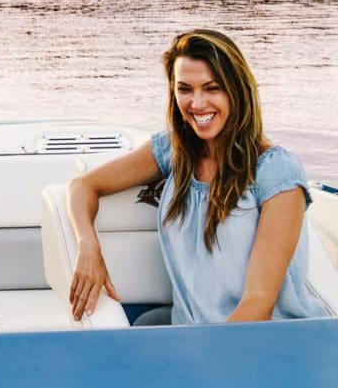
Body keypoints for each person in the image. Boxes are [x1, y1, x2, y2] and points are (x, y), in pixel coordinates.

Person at [67, 29, 329, 325]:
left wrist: (205, 364)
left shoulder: (275, 170)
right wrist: (88, 246)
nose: (197, 103)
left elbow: (259, 304)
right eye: (185, 89)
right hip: (192, 337)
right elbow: (83, 186)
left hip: (263, 342)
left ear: (236, 90)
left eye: (212, 88)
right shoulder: (174, 150)